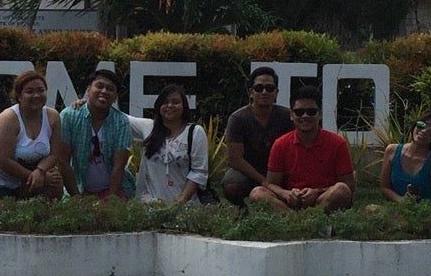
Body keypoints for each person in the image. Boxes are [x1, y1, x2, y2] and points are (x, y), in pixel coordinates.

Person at [250, 84, 354, 213]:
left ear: (320, 114)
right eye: (299, 112)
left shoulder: (337, 143)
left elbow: (349, 185)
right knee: (257, 193)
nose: (305, 116)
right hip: (291, 203)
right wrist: (286, 194)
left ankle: (311, 221)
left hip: (323, 200)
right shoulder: (280, 144)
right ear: (291, 115)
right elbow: (270, 183)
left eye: (311, 112)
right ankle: (297, 224)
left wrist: (317, 192)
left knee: (341, 190)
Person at [0, 69, 63, 201]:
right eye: (29, 91)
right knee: (2, 219)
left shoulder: (53, 117)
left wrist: (40, 171)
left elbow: (54, 154)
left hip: (24, 177)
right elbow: (2, 160)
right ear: (19, 96)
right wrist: (34, 177)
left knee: (55, 179)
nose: (36, 95)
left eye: (41, 90)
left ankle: (57, 214)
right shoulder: (8, 119)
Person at [56, 69, 137, 200]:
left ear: (116, 97)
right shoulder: (69, 116)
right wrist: (77, 198)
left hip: (114, 190)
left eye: (110, 89)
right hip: (78, 189)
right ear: (88, 90)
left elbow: (119, 166)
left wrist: (110, 201)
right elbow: (62, 161)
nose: (104, 91)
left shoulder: (121, 122)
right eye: (99, 86)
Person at [220, 66, 293, 204]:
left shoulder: (287, 117)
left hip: (280, 171)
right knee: (232, 184)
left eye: (269, 88)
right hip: (248, 172)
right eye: (259, 88)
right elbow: (236, 160)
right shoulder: (238, 119)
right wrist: (265, 182)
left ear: (276, 92)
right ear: (251, 92)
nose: (264, 92)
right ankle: (242, 212)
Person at [135, 84, 211, 205]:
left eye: (175, 102)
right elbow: (119, 117)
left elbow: (199, 172)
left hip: (185, 209)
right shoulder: (148, 127)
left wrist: (182, 199)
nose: (170, 105)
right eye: (165, 102)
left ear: (184, 106)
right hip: (151, 207)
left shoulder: (195, 132)